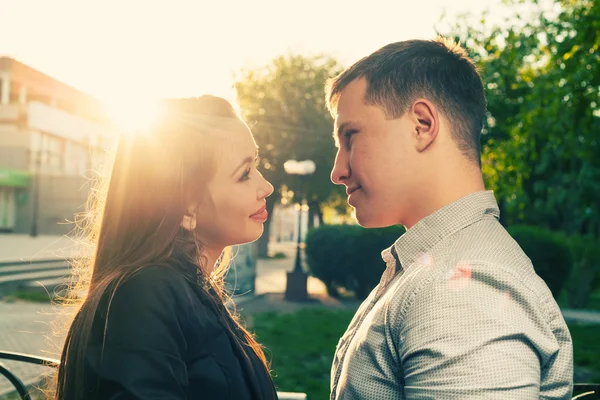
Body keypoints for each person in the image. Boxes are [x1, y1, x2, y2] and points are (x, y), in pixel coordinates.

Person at [326, 38, 573, 399]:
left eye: (350, 137)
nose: (338, 171)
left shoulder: (462, 290)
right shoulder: (442, 270)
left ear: (422, 125)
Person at [52, 95, 278, 400]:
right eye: (245, 173)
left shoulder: (188, 290)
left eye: (256, 166)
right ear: (186, 208)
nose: (266, 187)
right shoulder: (145, 293)